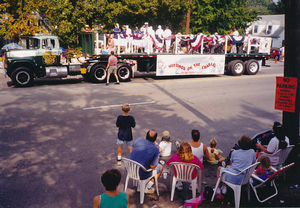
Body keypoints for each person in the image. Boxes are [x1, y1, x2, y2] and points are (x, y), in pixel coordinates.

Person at [130, 129, 163, 194]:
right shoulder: (155, 149)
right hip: (142, 173)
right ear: (155, 139)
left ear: (145, 136)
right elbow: (152, 166)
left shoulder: (139, 139)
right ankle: (147, 187)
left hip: (131, 168)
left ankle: (141, 185)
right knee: (160, 167)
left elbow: (132, 148)